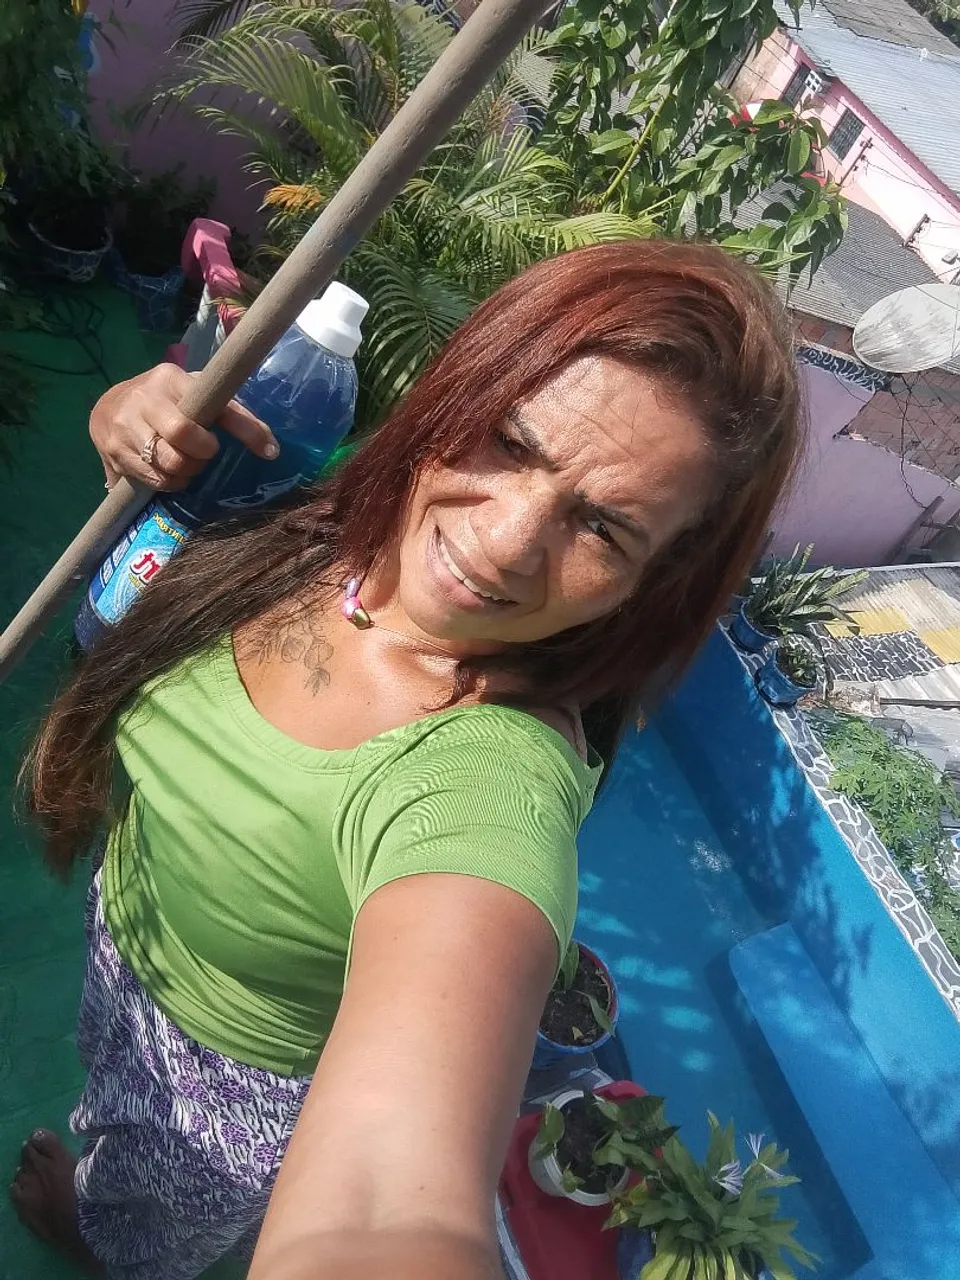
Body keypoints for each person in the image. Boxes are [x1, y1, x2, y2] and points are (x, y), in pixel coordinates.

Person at [11, 240, 800, 1280]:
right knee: (109, 1104)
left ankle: (99, 1240)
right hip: (129, 936)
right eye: (511, 442)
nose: (505, 542)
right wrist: (128, 422)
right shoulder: (327, 511)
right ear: (458, 389)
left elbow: (388, 1195)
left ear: (650, 582)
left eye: (603, 528)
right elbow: (158, 531)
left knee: (140, 1227)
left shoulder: (487, 777)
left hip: (227, 1092)